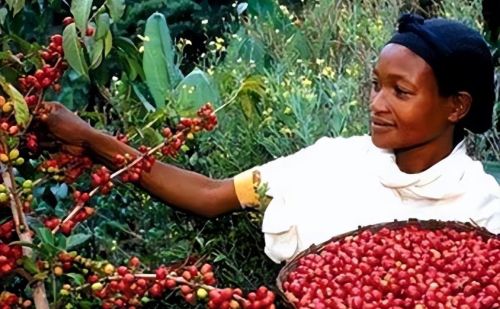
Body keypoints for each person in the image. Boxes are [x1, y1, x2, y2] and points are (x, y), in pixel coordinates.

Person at [42, 14, 500, 263]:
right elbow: (209, 194)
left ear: (456, 106)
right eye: (375, 84)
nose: (378, 104)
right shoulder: (331, 162)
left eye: (400, 91)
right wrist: (92, 139)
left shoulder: (483, 208)